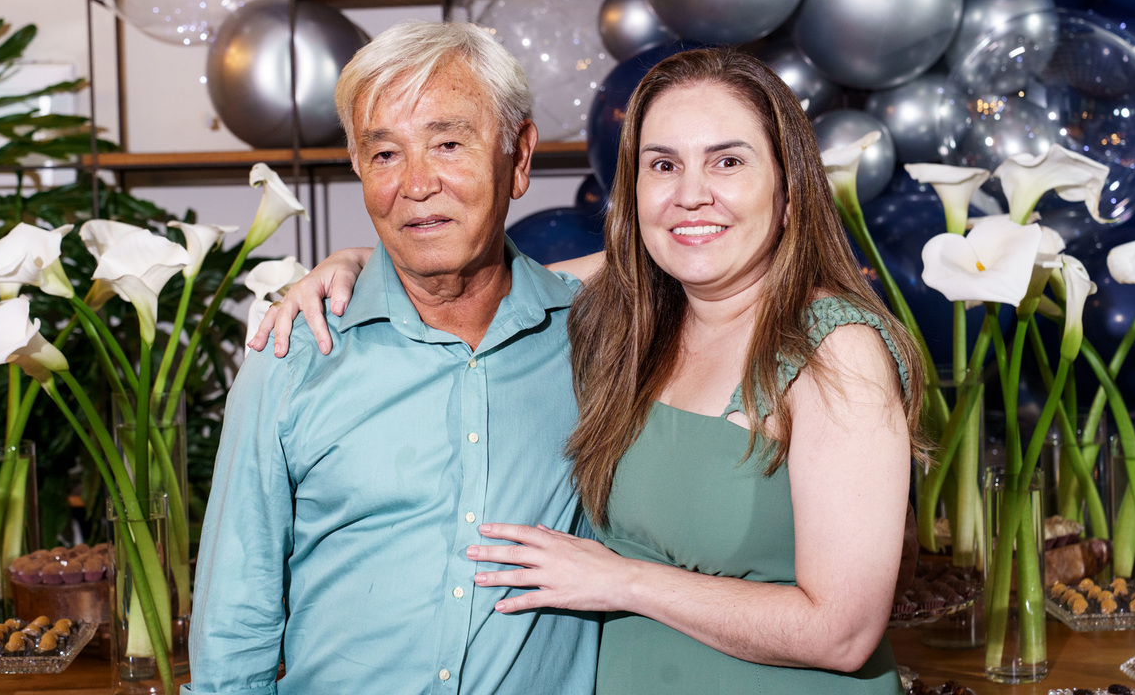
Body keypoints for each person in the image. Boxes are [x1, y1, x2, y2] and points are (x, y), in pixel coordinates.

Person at [252, 47, 925, 693]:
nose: (691, 195)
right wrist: (358, 262)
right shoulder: (629, 309)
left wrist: (622, 580)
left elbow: (843, 633)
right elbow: (476, 281)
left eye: (727, 161)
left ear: (789, 187)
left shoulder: (836, 351)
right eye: (663, 165)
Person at [185, 20, 600, 695]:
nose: (416, 184)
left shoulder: (599, 341)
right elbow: (235, 622)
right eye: (384, 154)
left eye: (448, 144)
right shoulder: (293, 354)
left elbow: (708, 249)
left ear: (519, 157)